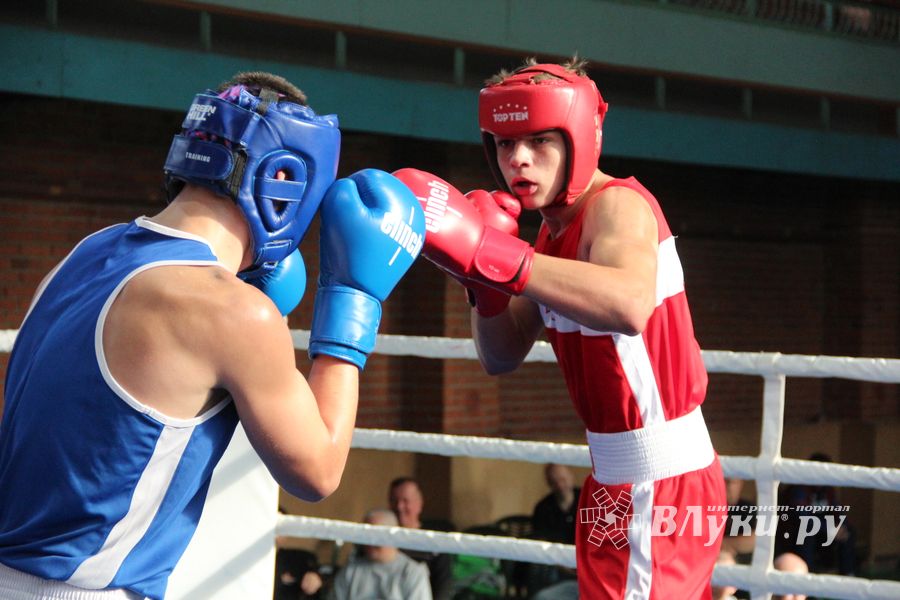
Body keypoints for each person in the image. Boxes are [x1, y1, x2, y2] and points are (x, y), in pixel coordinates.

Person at [0, 72, 425, 600]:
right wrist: (354, 296)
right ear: (287, 182)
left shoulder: (84, 253)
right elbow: (319, 472)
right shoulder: (232, 312)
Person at [393, 57, 726, 599]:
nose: (518, 159)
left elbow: (628, 302)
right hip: (612, 481)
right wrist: (479, 277)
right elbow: (499, 356)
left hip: (661, 480)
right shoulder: (547, 237)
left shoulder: (618, 208)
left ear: (579, 138)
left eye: (539, 140)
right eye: (503, 144)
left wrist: (496, 255)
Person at [328, 509, 432, 600]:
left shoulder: (412, 573)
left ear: (393, 535)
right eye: (365, 535)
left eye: (375, 535)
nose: (369, 541)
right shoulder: (350, 572)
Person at [388, 477, 455, 600]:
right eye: (394, 501)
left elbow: (443, 588)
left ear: (419, 504)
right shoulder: (381, 540)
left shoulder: (434, 542)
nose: (399, 507)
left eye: (405, 501)